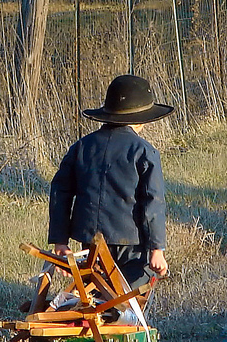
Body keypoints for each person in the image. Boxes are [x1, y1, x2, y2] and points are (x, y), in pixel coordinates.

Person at [49, 74, 172, 290]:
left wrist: (60, 241)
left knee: (95, 291)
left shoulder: (81, 147)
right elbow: (153, 202)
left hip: (90, 242)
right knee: (126, 298)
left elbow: (60, 191)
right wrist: (157, 249)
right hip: (131, 243)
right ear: (142, 119)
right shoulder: (144, 151)